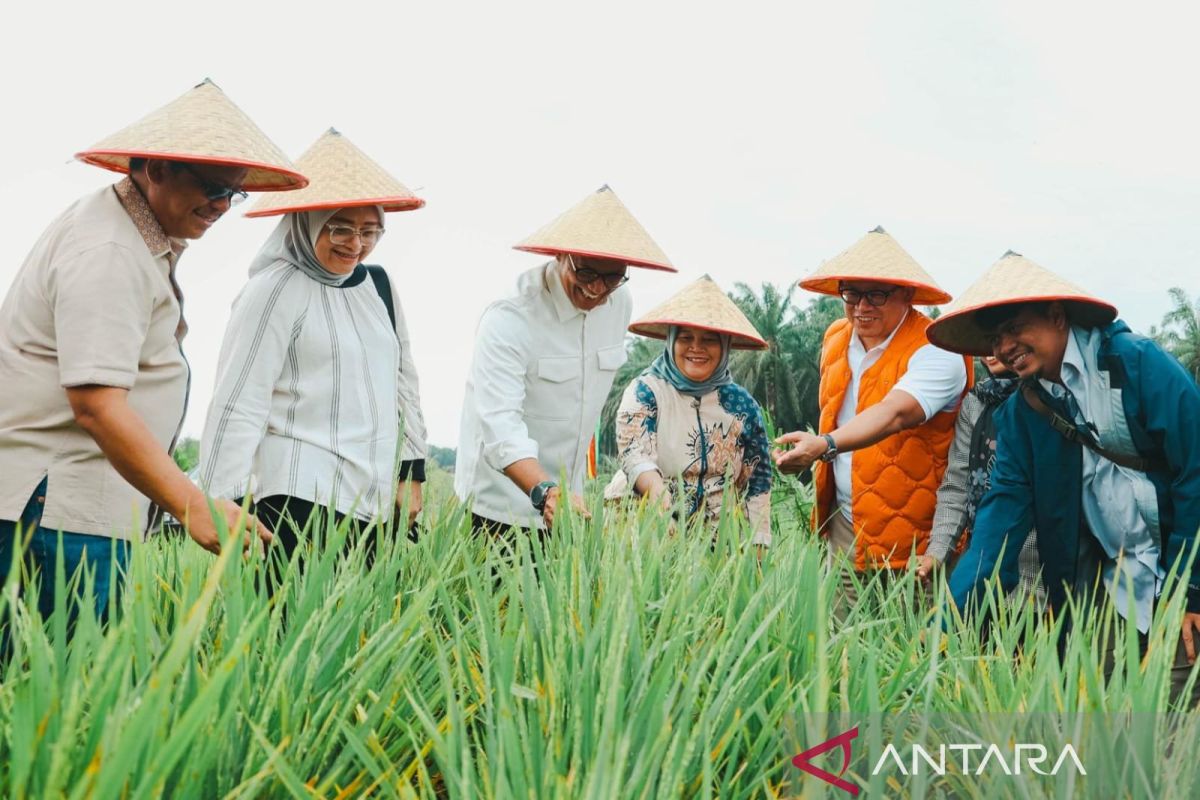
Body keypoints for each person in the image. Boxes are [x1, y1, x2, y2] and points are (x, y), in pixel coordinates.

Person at [0, 79, 300, 627]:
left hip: (76, 507)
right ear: (156, 169)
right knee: (66, 692)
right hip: (57, 511)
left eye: (234, 194)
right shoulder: (110, 251)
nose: (222, 206)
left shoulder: (125, 233)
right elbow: (97, 403)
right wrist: (191, 503)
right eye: (213, 187)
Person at [927, 251, 1200, 705]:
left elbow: (1196, 471)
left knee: (1161, 729)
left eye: (1014, 328)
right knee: (1101, 713)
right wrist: (947, 619)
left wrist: (1192, 590)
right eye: (996, 338)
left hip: (1179, 570)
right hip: (1117, 587)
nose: (1003, 347)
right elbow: (999, 522)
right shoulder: (1022, 415)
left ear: (1056, 317)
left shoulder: (1136, 365)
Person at [199, 129, 428, 570]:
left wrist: (410, 473)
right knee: (296, 626)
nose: (355, 244)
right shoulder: (273, 290)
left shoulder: (378, 286)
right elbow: (239, 398)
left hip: (372, 494)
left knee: (361, 626)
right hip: (298, 496)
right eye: (339, 228)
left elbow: (405, 382)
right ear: (307, 222)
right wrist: (219, 500)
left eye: (370, 230)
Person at [456, 185, 677, 536]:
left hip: (570, 507)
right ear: (560, 255)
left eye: (612, 278)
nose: (597, 289)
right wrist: (545, 491)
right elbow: (500, 425)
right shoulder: (510, 317)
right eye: (586, 273)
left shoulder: (619, 304)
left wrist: (563, 494)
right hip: (498, 505)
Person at [773, 227, 971, 617]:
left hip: (916, 536)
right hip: (846, 526)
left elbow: (895, 412)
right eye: (852, 293)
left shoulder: (938, 348)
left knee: (912, 653)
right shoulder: (835, 338)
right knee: (843, 649)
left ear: (907, 295)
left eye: (877, 295)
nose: (862, 306)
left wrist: (824, 445)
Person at [603, 275, 772, 546]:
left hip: (717, 538)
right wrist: (660, 500)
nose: (696, 347)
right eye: (685, 337)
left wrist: (759, 543)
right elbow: (635, 456)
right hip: (643, 523)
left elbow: (759, 480)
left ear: (725, 345)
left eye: (709, 339)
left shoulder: (743, 407)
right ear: (671, 342)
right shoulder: (646, 392)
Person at [915, 356, 1046, 611]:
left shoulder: (1050, 398)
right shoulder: (976, 402)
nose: (992, 351)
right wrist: (937, 552)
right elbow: (956, 486)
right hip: (981, 569)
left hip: (1041, 574)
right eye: (989, 340)